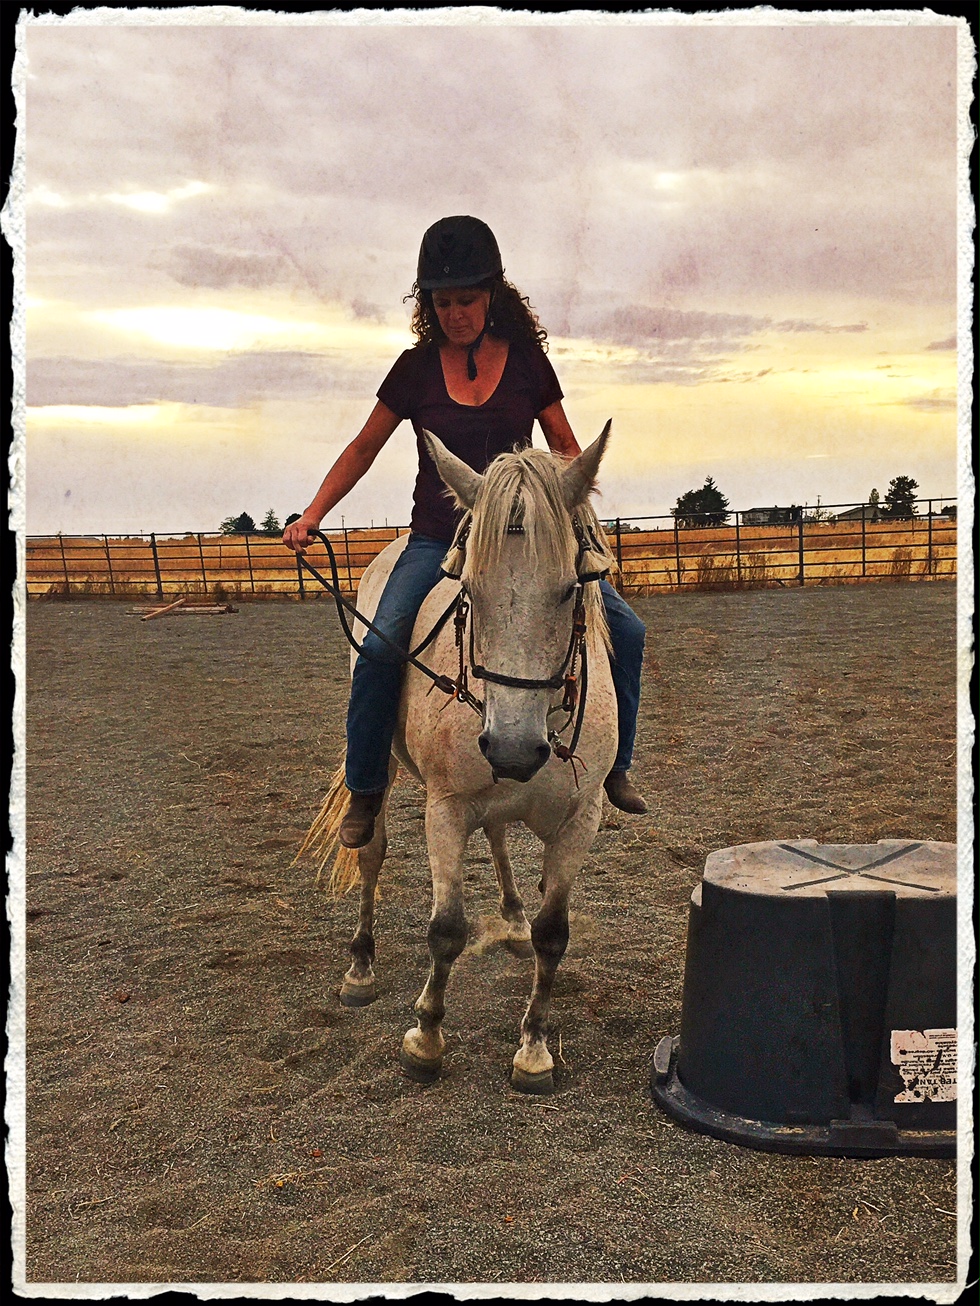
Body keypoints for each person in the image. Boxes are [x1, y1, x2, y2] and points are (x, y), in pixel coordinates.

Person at [283, 216, 647, 848]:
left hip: (522, 543)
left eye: (467, 300)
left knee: (628, 630)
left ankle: (616, 766)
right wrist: (313, 513)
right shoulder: (413, 371)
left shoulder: (529, 364)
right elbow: (364, 447)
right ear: (429, 305)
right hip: (437, 539)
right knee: (378, 651)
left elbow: (564, 447)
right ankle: (367, 786)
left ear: (492, 297)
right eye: (442, 302)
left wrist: (577, 528)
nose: (455, 314)